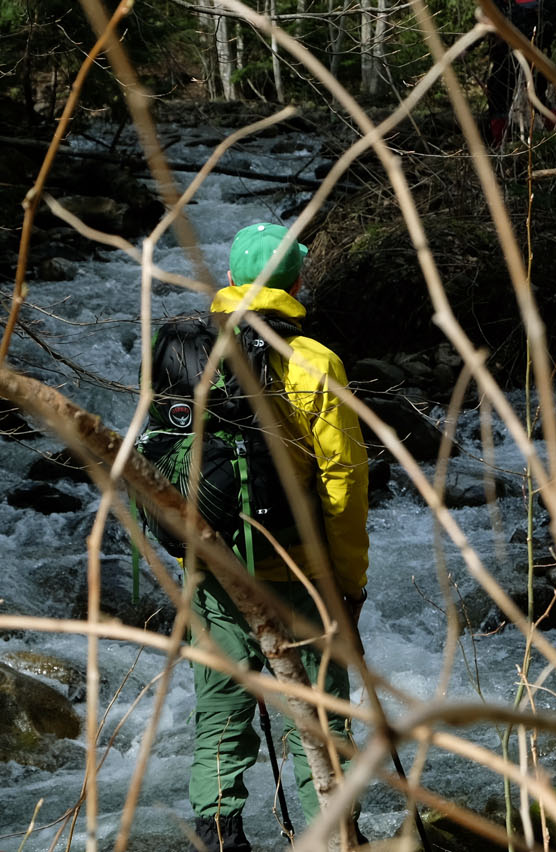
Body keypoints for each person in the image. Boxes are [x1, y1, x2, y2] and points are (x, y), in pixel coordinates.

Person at [186, 223, 371, 852]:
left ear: (233, 280)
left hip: (213, 558)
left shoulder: (185, 353)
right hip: (298, 566)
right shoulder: (314, 363)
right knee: (319, 711)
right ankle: (333, 833)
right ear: (295, 283)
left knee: (221, 701)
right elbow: (343, 484)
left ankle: (218, 832)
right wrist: (349, 584)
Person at [483, 0, 556, 146]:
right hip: (536, 52)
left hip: (508, 57)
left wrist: (465, 49)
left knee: (498, 100)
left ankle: (499, 147)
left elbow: (485, 27)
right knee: (538, 98)